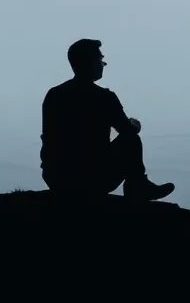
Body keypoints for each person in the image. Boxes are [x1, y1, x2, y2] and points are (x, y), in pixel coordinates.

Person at [41, 39, 176, 201]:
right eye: (99, 60)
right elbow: (128, 131)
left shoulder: (54, 95)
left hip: (57, 179)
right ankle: (137, 186)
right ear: (87, 63)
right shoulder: (104, 97)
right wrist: (134, 124)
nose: (102, 65)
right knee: (131, 140)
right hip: (93, 179)